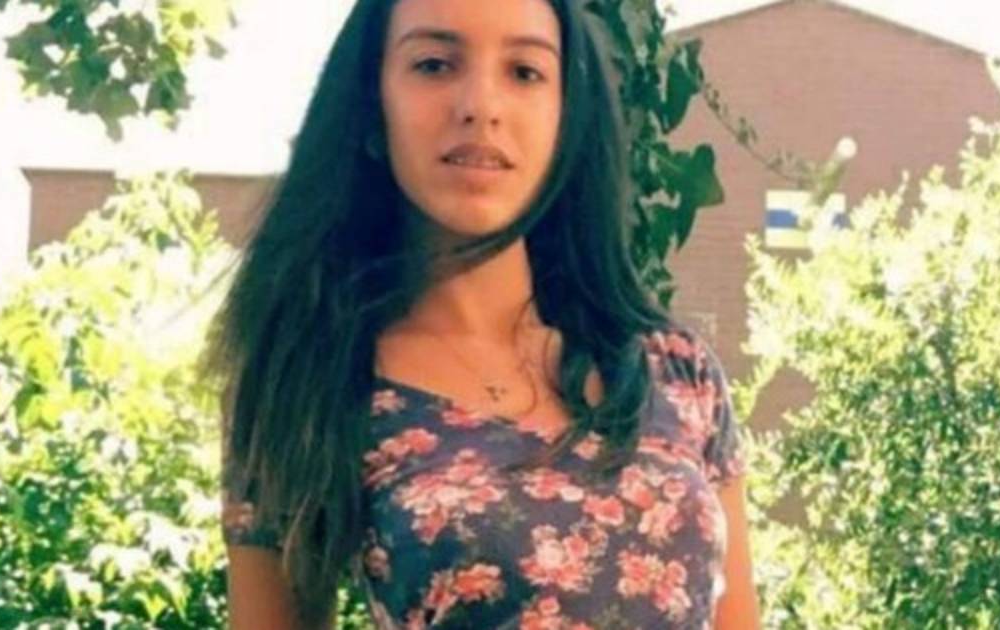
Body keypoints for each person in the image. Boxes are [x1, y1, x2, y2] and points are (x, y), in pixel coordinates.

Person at [200, 0, 758, 627]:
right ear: (371, 108)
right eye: (435, 64)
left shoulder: (673, 369)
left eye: (524, 72)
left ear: (567, 117)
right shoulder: (309, 381)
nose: (481, 106)